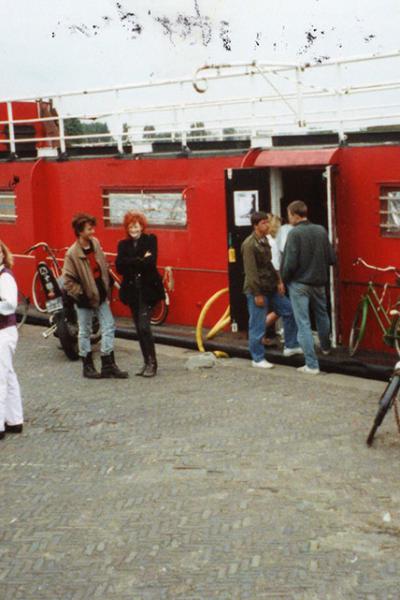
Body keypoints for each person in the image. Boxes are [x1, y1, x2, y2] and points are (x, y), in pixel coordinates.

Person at [62, 213, 128, 379]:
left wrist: (106, 284)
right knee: (85, 331)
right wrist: (81, 294)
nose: (93, 231)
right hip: (85, 299)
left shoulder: (96, 243)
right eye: (89, 228)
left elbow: (102, 264)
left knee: (109, 325)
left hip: (100, 294)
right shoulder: (72, 253)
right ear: (80, 231)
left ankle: (107, 363)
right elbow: (67, 280)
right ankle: (88, 366)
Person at [281, 200, 336, 375]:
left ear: (295, 215)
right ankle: (326, 348)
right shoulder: (321, 230)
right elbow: (331, 259)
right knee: (322, 315)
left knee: (303, 322)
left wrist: (284, 280)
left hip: (299, 284)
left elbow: (289, 263)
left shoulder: (294, 234)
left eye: (289, 214)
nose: (288, 217)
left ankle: (311, 365)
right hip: (319, 283)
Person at [241, 211, 302, 369]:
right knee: (257, 323)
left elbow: (269, 264)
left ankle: (291, 345)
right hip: (258, 289)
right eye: (263, 223)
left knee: (289, 310)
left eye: (267, 222)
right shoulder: (249, 245)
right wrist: (257, 294)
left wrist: (279, 281)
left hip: (271, 287)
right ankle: (257, 358)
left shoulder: (264, 241)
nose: (267, 225)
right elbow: (251, 272)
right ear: (255, 226)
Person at [116, 211, 165, 378]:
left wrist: (131, 261)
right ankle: (146, 362)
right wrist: (139, 260)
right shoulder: (123, 244)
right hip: (132, 292)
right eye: (130, 227)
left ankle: (152, 363)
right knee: (138, 329)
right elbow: (119, 267)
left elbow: (151, 263)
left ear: (142, 226)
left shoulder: (151, 239)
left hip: (148, 291)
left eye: (136, 226)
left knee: (144, 326)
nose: (133, 229)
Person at [0, 240, 23, 438]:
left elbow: (9, 305)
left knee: (1, 376)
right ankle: (14, 419)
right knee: (7, 374)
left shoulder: (5, 277)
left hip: (4, 331)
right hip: (5, 330)